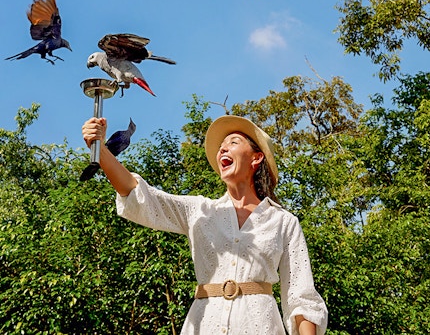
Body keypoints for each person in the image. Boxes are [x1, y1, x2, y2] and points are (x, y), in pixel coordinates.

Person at [82, 114, 328, 335]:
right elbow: (142, 197)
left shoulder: (283, 221)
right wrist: (101, 151)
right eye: (221, 146)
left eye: (233, 142)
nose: (223, 149)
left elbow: (301, 296)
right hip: (203, 323)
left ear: (256, 158)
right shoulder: (200, 210)